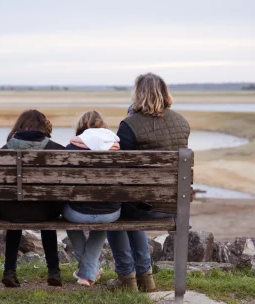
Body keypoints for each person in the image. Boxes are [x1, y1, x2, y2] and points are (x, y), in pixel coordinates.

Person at [106, 73, 190, 292]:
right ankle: (146, 278)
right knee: (135, 206)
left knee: (114, 210)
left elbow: (119, 168)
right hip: (174, 207)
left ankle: (127, 278)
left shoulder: (129, 125)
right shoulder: (182, 122)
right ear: (165, 92)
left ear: (138, 93)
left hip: (143, 207)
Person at [0, 110, 65, 287]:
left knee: (15, 211)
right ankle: (54, 271)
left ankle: (9, 270)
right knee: (47, 213)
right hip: (46, 211)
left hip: (11, 211)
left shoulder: (5, 150)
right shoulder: (56, 149)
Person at [63, 111, 121, 286]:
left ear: (81, 128)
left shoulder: (71, 149)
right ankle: (88, 272)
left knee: (64, 214)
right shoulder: (119, 148)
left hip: (77, 213)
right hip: (111, 213)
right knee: (103, 213)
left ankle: (88, 271)